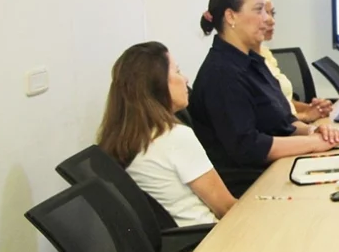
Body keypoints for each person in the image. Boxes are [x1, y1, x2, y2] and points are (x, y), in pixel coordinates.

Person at [191, 0, 339, 197]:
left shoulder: (252, 61)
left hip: (279, 169)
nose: (266, 18)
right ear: (231, 16)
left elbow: (283, 120)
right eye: (258, 10)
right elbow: (249, 147)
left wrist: (313, 131)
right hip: (253, 187)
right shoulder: (222, 73)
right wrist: (312, 143)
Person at [96, 42, 236, 225]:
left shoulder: (126, 139)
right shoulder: (174, 137)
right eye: (177, 71)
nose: (185, 79)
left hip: (184, 237)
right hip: (210, 236)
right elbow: (226, 207)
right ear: (158, 84)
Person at [254, 0, 332, 123]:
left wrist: (312, 109)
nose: (271, 20)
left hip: (294, 127)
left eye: (272, 13)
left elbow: (284, 102)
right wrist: (305, 116)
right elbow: (264, 119)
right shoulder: (243, 63)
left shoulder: (265, 53)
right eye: (263, 14)